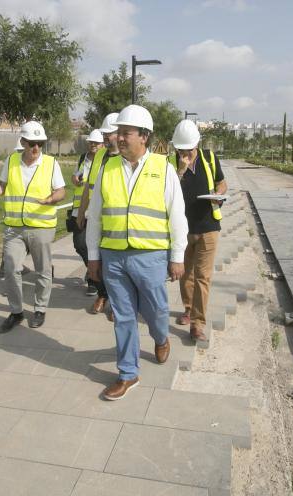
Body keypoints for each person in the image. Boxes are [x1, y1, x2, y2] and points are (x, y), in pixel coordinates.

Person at [86, 104, 188, 401]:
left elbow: (177, 215)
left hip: (151, 257)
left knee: (157, 310)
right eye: (118, 132)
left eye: (125, 133)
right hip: (114, 257)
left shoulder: (163, 169)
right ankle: (128, 373)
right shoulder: (108, 168)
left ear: (143, 136)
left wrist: (177, 257)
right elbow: (96, 215)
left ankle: (160, 336)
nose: (118, 138)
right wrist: (94, 255)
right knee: (123, 316)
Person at [0, 121, 65, 332]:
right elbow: (2, 186)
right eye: (32, 143)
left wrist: (52, 199)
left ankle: (40, 309)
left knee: (43, 271)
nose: (36, 148)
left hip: (41, 226)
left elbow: (62, 191)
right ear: (23, 142)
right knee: (11, 268)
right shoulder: (12, 161)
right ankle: (16, 312)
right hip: (14, 227)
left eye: (40, 144)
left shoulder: (51, 163)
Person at [168, 120, 227, 346]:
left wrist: (219, 194)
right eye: (182, 150)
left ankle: (197, 324)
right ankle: (188, 308)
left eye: (190, 150)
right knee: (185, 274)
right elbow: (168, 190)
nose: (186, 153)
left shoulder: (209, 158)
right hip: (183, 229)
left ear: (197, 145)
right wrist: (181, 170)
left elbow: (223, 183)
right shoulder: (170, 164)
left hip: (209, 227)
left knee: (203, 276)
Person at [77, 113, 120, 316]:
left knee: (113, 260)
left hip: (116, 219)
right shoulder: (100, 156)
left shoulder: (125, 157)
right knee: (83, 246)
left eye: (108, 134)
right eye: (104, 134)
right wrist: (80, 213)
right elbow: (88, 186)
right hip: (95, 216)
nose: (105, 138)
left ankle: (115, 301)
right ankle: (103, 291)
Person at [68, 129, 104, 296]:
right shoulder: (83, 158)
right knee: (80, 244)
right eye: (91, 143)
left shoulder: (106, 159)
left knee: (95, 246)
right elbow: (76, 176)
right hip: (80, 210)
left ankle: (94, 281)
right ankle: (93, 271)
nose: (93, 145)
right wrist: (75, 179)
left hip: (97, 210)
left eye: (96, 143)